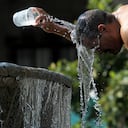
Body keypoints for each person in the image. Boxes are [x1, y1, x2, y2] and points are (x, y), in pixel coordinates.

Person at [32, 5, 128, 54]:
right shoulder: (122, 12)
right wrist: (55, 28)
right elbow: (84, 37)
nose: (99, 51)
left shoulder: (126, 31)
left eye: (97, 47)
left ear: (102, 29)